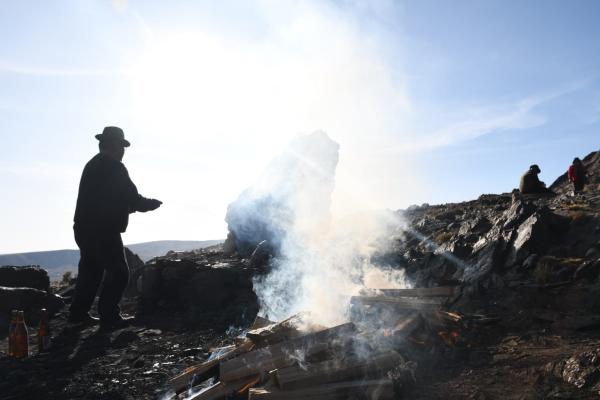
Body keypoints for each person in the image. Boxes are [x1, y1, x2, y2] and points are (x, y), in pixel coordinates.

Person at [68, 127, 162, 329]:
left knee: (90, 271)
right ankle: (109, 316)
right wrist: (151, 204)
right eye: (121, 145)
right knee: (119, 272)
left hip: (84, 228)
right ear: (111, 145)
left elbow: (109, 201)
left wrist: (130, 207)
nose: (123, 150)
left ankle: (77, 315)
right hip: (102, 230)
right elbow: (131, 198)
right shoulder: (114, 167)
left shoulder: (93, 165)